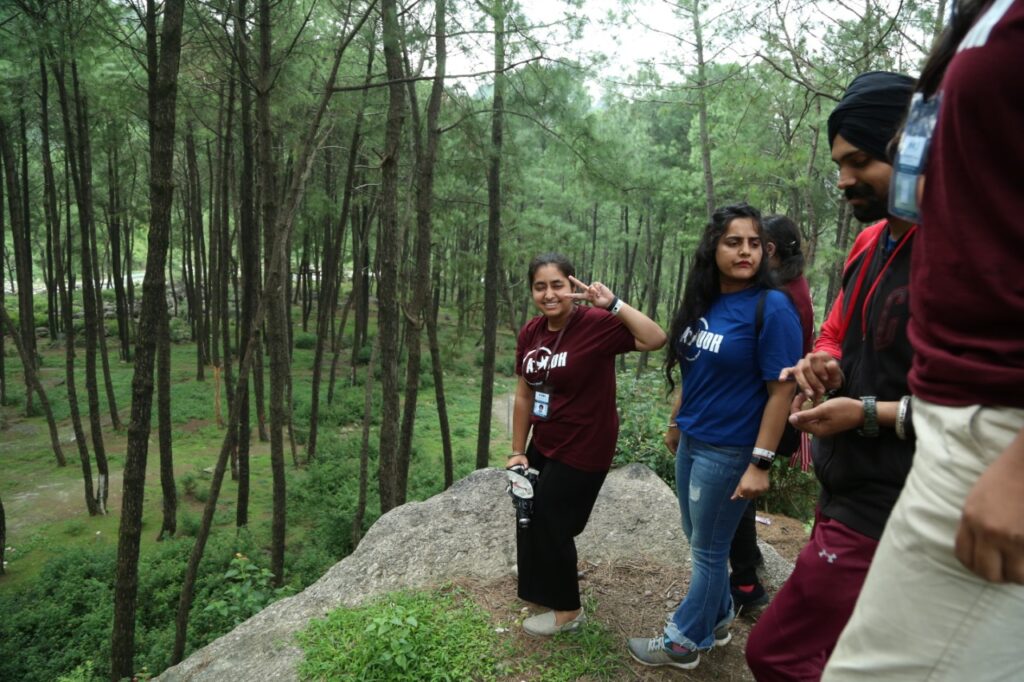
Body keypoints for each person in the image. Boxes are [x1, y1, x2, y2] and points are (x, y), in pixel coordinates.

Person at [824, 2, 1024, 679]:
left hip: (998, 438)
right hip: (956, 434)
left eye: (860, 160)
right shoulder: (981, 18)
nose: (845, 180)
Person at [744, 70, 917, 681]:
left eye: (860, 160)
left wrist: (867, 412)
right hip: (846, 482)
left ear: (915, 147)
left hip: (903, 495)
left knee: (777, 653)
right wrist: (825, 364)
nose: (843, 178)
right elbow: (836, 333)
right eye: (838, 161)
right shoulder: (870, 244)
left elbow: (988, 406)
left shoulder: (962, 253)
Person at [627, 203, 801, 671]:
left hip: (730, 449)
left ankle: (685, 641)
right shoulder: (707, 301)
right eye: (733, 242)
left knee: (707, 550)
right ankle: (720, 615)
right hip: (693, 440)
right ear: (714, 248)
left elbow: (781, 393)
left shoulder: (773, 307)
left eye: (753, 243)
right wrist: (674, 421)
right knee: (698, 537)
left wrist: (760, 463)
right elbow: (693, 369)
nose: (745, 251)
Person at [509, 253, 666, 637]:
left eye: (557, 285)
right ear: (532, 291)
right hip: (544, 440)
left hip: (586, 442)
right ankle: (538, 578)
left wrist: (612, 303)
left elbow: (656, 338)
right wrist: (517, 450)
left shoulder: (596, 323)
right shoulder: (532, 331)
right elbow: (524, 395)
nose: (549, 294)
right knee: (527, 508)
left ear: (572, 287)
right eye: (540, 286)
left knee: (552, 520)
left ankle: (568, 612)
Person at [728, 214, 816, 612]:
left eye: (755, 243)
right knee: (740, 495)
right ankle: (751, 565)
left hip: (765, 410)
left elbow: (778, 370)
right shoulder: (793, 286)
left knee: (739, 492)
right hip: (766, 408)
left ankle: (746, 584)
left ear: (770, 250)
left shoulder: (782, 297)